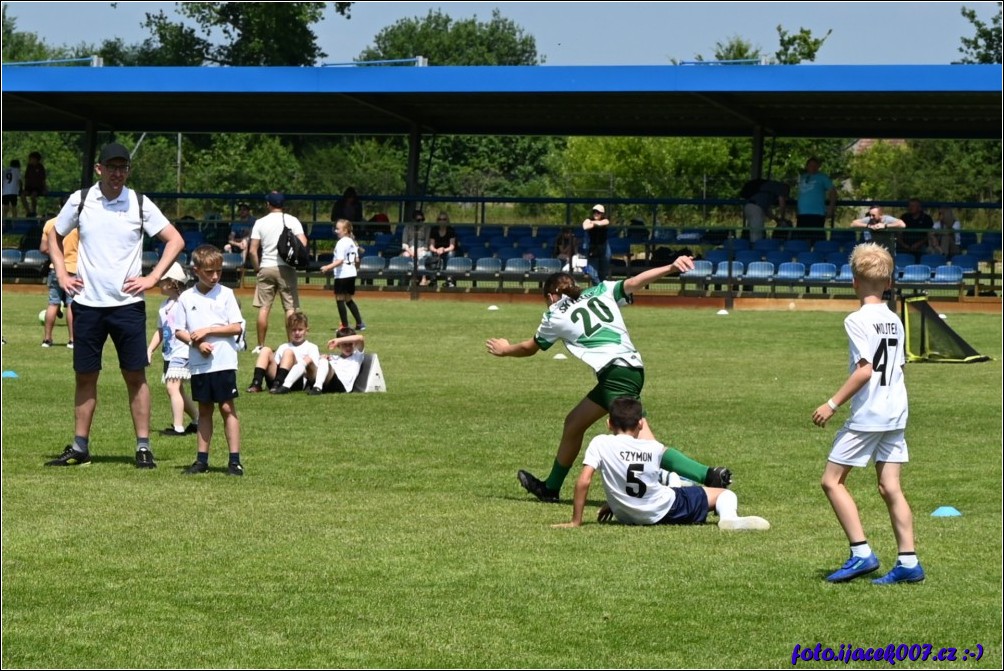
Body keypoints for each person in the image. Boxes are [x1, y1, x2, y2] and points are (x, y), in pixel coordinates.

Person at [486, 262, 733, 503]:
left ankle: (708, 475)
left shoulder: (555, 314)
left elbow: (531, 348)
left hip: (616, 374)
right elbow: (636, 282)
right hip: (626, 369)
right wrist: (670, 268)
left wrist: (505, 349)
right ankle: (551, 488)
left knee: (647, 444)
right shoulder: (600, 290)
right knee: (574, 423)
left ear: (551, 296)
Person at [45, 141, 185, 469]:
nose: (117, 173)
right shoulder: (80, 200)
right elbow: (54, 234)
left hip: (127, 306)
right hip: (88, 304)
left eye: (123, 167)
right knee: (85, 376)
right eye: (112, 167)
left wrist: (152, 279)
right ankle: (80, 446)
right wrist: (62, 274)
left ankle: (143, 447)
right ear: (99, 169)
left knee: (135, 376)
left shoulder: (139, 203)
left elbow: (175, 240)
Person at [811, 242, 924, 584]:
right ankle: (908, 561)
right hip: (895, 411)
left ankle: (861, 553)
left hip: (869, 415)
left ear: (854, 282)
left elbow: (865, 370)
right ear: (889, 283)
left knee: (831, 481)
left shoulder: (857, 320)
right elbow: (898, 365)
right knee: (890, 487)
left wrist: (831, 404)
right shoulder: (894, 319)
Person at [553, 397, 770, 530]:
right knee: (725, 495)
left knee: (671, 485)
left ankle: (683, 487)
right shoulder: (653, 449)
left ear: (609, 423)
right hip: (664, 510)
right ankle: (729, 519)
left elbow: (584, 481)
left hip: (626, 515)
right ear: (640, 424)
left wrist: (577, 520)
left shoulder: (600, 443)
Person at [175, 245, 246, 476]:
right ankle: (201, 460)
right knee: (204, 409)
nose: (215, 276)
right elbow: (179, 330)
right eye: (209, 272)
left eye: (218, 271)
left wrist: (208, 331)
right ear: (196, 270)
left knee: (227, 407)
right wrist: (197, 343)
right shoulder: (186, 297)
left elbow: (237, 327)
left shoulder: (226, 294)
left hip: (224, 361)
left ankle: (234, 461)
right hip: (200, 363)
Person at [247, 191, 307, 354]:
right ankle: (292, 344)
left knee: (264, 308)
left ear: (268, 204)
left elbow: (252, 250)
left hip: (266, 266)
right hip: (286, 268)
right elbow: (303, 242)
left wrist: (257, 268)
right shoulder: (292, 220)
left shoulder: (260, 222)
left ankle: (260, 345)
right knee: (290, 307)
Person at [146, 262, 199, 437]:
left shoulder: (185, 302)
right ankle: (197, 420)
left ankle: (178, 427)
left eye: (161, 281)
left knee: (172, 387)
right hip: (170, 352)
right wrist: (151, 349)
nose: (158, 284)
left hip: (182, 351)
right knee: (178, 390)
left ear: (171, 282)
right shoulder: (164, 305)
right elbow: (161, 331)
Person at [246, 311, 320, 395]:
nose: (297, 333)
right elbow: (275, 365)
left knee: (288, 353)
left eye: (300, 330)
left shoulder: (312, 347)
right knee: (265, 350)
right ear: (289, 330)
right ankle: (256, 383)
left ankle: (278, 384)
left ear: (307, 330)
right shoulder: (283, 346)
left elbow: (315, 372)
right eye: (294, 330)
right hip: (277, 379)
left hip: (296, 381)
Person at [40, 208, 77, 348]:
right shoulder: (77, 225)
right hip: (73, 269)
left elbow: (43, 248)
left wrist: (56, 252)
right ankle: (72, 340)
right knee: (71, 305)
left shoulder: (50, 223)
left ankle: (47, 339)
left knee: (53, 303)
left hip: (54, 268)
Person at [321, 219, 365, 331]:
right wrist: (356, 269)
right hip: (351, 273)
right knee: (348, 299)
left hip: (343, 274)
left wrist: (327, 267)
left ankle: (344, 326)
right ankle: (360, 323)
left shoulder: (341, 243)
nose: (336, 231)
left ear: (345, 230)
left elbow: (340, 260)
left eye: (338, 229)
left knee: (340, 298)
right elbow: (357, 259)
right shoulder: (352, 242)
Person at [309, 327, 366, 395]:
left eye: (350, 344)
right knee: (316, 360)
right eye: (345, 344)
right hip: (329, 383)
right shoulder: (333, 358)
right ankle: (311, 386)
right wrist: (321, 358)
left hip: (342, 386)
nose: (348, 347)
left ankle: (317, 388)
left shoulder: (357, 356)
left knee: (324, 361)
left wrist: (339, 340)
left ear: (355, 344)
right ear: (338, 346)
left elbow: (360, 338)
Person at [795, 157, 836, 244]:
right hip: (802, 214)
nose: (812, 167)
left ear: (818, 167)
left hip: (817, 213)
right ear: (807, 166)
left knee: (816, 239)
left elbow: (832, 192)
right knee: (801, 239)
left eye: (815, 165)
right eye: (810, 165)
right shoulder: (802, 177)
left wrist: (831, 207)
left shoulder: (823, 177)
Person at [741, 177, 789, 243]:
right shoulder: (782, 188)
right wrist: (782, 218)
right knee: (756, 236)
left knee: (752, 232)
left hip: (748, 206)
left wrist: (777, 220)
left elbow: (767, 211)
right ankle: (755, 251)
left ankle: (750, 250)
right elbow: (782, 204)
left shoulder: (767, 192)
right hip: (756, 209)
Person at [400, 209, 430, 286]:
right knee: (406, 255)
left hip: (421, 248)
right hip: (410, 249)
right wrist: (411, 252)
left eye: (422, 219)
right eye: (418, 220)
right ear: (413, 219)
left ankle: (423, 278)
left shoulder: (426, 228)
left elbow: (427, 244)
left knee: (423, 255)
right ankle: (407, 278)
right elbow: (404, 244)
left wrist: (419, 250)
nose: (420, 221)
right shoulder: (407, 227)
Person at [582, 204, 611, 282]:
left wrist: (592, 223)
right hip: (592, 247)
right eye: (594, 212)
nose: (596, 214)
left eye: (598, 212)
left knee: (603, 273)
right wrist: (594, 223)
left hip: (604, 247)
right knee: (592, 274)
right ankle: (599, 289)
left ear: (602, 213)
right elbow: (585, 226)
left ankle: (601, 289)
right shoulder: (588, 219)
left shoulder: (605, 219)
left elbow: (603, 223)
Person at [427, 212, 457, 285]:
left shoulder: (450, 230)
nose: (442, 221)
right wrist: (436, 250)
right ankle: (433, 278)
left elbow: (452, 246)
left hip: (447, 251)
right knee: (429, 254)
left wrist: (443, 249)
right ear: (437, 220)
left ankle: (449, 278)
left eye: (444, 219)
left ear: (447, 220)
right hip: (436, 251)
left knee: (451, 254)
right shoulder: (434, 230)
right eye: (440, 219)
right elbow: (431, 246)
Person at [21, 151, 47, 217]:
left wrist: (44, 188)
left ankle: (34, 211)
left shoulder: (40, 167)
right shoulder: (29, 167)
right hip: (29, 186)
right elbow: (26, 178)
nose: (30, 160)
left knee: (33, 196)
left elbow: (43, 179)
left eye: (32, 159)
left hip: (37, 187)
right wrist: (25, 187)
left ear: (36, 159)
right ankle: (28, 211)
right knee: (22, 196)